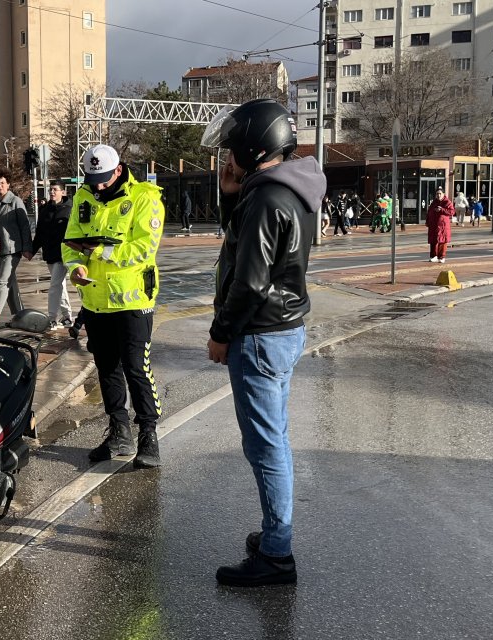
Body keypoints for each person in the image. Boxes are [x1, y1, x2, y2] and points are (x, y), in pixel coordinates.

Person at [202, 98, 324, 587]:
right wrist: (232, 195)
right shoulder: (287, 190)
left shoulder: (266, 198)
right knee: (274, 439)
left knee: (266, 447)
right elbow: (249, 247)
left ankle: (277, 553)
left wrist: (220, 333)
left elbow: (249, 282)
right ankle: (275, 535)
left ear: (255, 146)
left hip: (259, 335)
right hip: (283, 330)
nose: (228, 157)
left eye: (233, 147)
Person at [63, 143, 164, 469]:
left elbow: (143, 250)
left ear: (119, 170)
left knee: (136, 366)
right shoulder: (83, 198)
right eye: (93, 180)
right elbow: (70, 243)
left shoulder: (144, 198)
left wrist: (98, 253)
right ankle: (119, 431)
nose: (99, 186)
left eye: (105, 179)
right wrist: (74, 267)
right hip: (96, 299)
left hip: (133, 298)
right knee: (106, 367)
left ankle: (148, 432)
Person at [0, 172, 33, 328]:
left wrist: (27, 247)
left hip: (12, 248)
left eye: (2, 183)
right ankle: (19, 316)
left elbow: (25, 226)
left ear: (8, 185)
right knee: (10, 284)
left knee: (2, 281)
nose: (0, 186)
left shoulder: (15, 201)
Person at [34, 182, 76, 329]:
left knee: (54, 285)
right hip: (50, 253)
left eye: (55, 190)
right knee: (59, 285)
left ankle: (52, 318)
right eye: (50, 189)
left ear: (63, 192)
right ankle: (67, 317)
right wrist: (31, 250)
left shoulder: (70, 209)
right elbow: (39, 233)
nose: (52, 192)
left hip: (65, 253)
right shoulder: (45, 210)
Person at [426, 188, 453, 263]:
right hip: (433, 224)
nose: (438, 195)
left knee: (442, 241)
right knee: (433, 240)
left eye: (440, 193)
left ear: (443, 194)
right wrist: (427, 221)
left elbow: (451, 212)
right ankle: (433, 256)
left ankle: (441, 257)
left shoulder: (447, 202)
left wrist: (442, 209)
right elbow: (429, 212)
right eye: (437, 194)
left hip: (443, 225)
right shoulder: (434, 202)